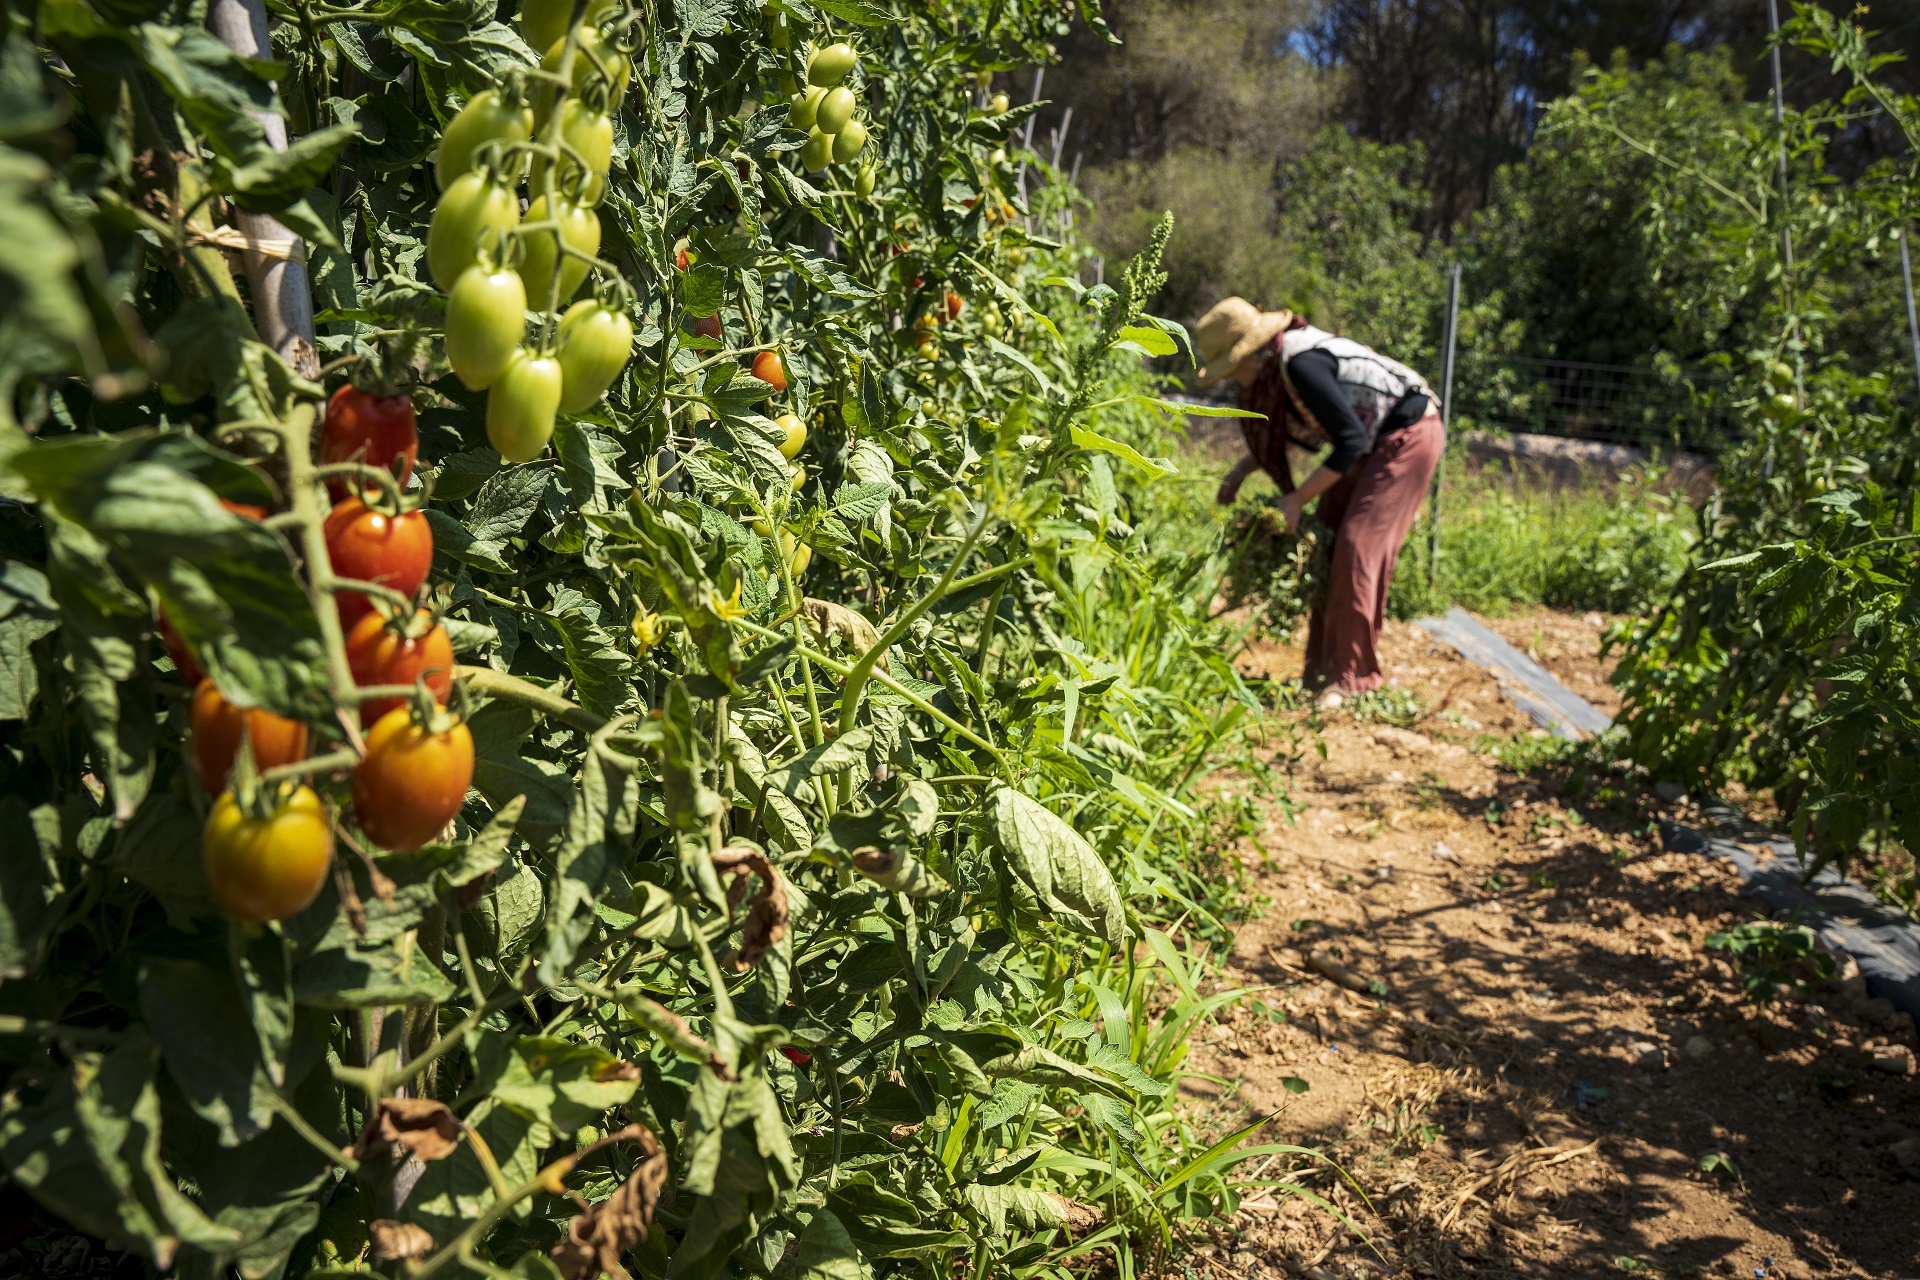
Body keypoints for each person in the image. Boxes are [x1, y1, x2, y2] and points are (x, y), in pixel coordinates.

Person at [1198, 296, 1444, 709]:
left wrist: (1296, 500)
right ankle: (1319, 674)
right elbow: (1300, 432)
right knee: (1328, 542)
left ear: (1252, 354)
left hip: (1408, 435)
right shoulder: (1278, 369)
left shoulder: (1301, 365)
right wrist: (1240, 471)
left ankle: (1352, 679)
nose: (1232, 378)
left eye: (1231, 366)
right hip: (1369, 443)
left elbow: (1350, 440)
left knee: (1356, 546)